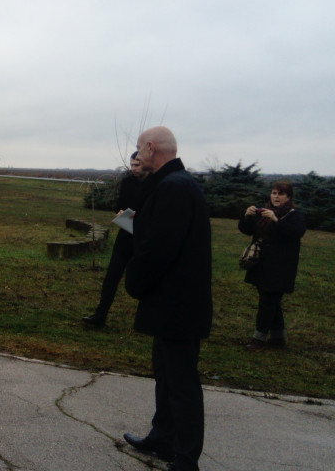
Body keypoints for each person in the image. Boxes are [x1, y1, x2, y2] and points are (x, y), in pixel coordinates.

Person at [122, 126, 212, 471]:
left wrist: (135, 281)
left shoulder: (174, 187)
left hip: (178, 304)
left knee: (181, 382)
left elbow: (157, 248)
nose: (136, 154)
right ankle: (162, 438)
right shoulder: (176, 183)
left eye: (138, 147)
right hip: (172, 303)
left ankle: (186, 458)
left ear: (150, 147)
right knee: (165, 375)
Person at [238, 180, 305, 351]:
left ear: (288, 197)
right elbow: (247, 230)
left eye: (281, 194)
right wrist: (246, 216)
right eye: (274, 193)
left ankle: (258, 339)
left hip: (281, 267)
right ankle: (278, 338)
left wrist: (276, 220)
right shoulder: (264, 212)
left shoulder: (294, 215)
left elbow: (296, 232)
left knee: (267, 302)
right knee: (271, 301)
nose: (276, 197)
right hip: (261, 264)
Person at [82, 152, 148, 327]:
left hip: (145, 239)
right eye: (131, 164)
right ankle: (100, 316)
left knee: (146, 280)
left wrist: (138, 216)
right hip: (126, 235)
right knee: (112, 276)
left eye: (137, 165)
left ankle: (147, 320)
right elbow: (120, 204)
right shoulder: (127, 182)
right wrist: (120, 212)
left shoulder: (155, 185)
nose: (133, 168)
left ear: (147, 163)